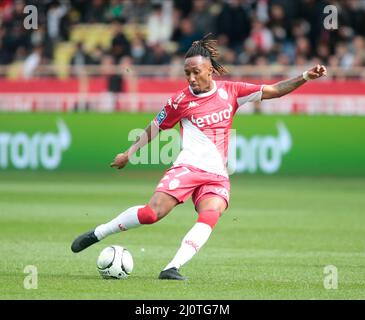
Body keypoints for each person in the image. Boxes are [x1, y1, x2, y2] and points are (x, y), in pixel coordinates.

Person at [71, 34, 327, 280]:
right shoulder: (179, 101)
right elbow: (155, 126)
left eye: (196, 72)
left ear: (210, 71)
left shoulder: (232, 91)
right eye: (187, 73)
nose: (191, 78)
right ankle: (99, 232)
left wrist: (305, 76)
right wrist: (129, 153)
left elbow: (275, 90)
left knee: (211, 213)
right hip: (188, 168)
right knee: (151, 214)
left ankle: (172, 267)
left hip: (217, 175)